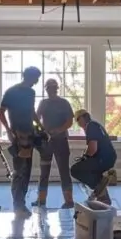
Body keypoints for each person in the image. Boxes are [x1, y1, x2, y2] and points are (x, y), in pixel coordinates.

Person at [0, 66, 42, 216]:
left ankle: (21, 203)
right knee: (19, 171)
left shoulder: (31, 92)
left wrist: (40, 126)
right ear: (30, 77)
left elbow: (31, 111)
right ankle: (18, 205)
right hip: (18, 136)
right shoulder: (12, 92)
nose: (37, 82)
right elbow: (1, 112)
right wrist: (9, 131)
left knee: (27, 170)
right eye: (36, 78)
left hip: (29, 135)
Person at [33, 79, 75, 208]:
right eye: (49, 88)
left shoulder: (64, 103)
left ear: (56, 89)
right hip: (47, 142)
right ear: (47, 89)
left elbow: (69, 121)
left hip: (61, 141)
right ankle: (41, 200)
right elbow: (36, 117)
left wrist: (58, 130)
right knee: (44, 171)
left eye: (52, 88)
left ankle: (69, 201)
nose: (50, 90)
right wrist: (42, 129)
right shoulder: (43, 103)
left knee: (63, 171)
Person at [70, 109, 117, 205]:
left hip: (103, 159)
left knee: (75, 170)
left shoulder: (90, 126)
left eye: (77, 120)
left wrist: (85, 157)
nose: (78, 123)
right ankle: (103, 198)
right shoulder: (95, 125)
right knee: (93, 173)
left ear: (82, 118)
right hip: (108, 158)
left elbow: (93, 149)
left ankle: (99, 188)